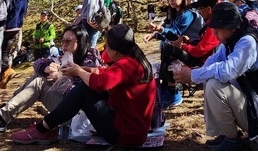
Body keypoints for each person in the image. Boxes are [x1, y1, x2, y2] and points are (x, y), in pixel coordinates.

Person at [10, 24, 156, 148]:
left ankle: (42, 129)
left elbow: (101, 83)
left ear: (115, 50)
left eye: (107, 46)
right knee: (82, 87)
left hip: (125, 133)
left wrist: (78, 71)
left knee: (85, 90)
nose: (105, 50)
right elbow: (107, 74)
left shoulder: (125, 64)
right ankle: (41, 126)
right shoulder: (135, 61)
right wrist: (82, 70)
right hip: (134, 131)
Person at [172, 1, 258, 151]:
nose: (214, 33)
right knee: (209, 78)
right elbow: (213, 62)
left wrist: (193, 75)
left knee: (215, 85)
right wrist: (194, 71)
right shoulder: (231, 40)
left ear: (231, 27)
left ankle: (232, 140)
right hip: (255, 107)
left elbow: (227, 71)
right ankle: (225, 134)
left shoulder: (247, 42)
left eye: (217, 30)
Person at [0, 23, 102, 134]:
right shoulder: (66, 57)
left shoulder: (90, 62)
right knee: (38, 75)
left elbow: (81, 95)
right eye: (63, 41)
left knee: (40, 82)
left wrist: (60, 78)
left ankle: (1, 116)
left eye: (68, 41)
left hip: (78, 116)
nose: (64, 45)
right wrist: (47, 68)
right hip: (65, 108)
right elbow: (38, 63)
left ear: (81, 42)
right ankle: (2, 113)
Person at [144, 0, 203, 108]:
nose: (170, 0)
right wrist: (155, 35)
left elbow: (175, 34)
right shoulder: (175, 13)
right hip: (181, 50)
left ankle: (172, 92)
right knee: (167, 47)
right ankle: (166, 88)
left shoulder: (188, 14)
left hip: (192, 52)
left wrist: (159, 30)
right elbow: (169, 33)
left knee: (169, 48)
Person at [165, 0, 221, 96]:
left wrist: (182, 46)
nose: (199, 12)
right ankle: (168, 86)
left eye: (200, 8)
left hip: (203, 61)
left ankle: (171, 90)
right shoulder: (210, 22)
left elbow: (201, 50)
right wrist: (188, 42)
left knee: (170, 50)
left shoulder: (213, 26)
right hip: (202, 57)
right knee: (169, 48)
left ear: (209, 9)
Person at [0, 0, 30, 88]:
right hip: (17, 25)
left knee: (1, 51)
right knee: (5, 50)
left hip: (8, 23)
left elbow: (9, 6)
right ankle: (3, 78)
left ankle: (6, 71)